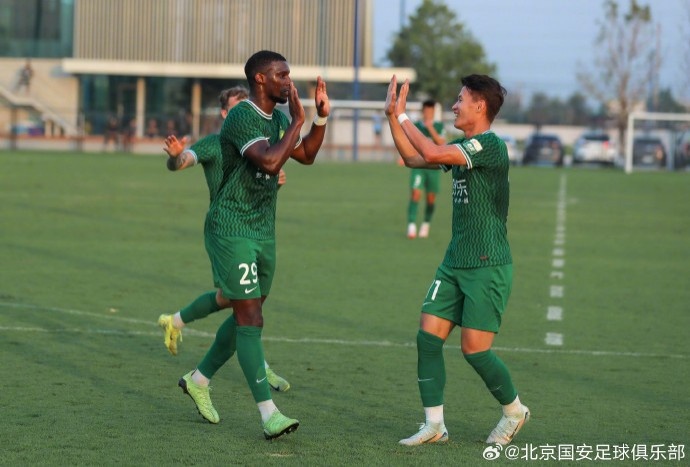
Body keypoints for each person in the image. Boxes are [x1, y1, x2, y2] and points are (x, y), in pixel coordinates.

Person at [168, 50, 329, 440]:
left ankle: (199, 380)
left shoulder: (278, 119)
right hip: (231, 228)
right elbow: (270, 162)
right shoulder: (241, 116)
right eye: (281, 75)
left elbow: (306, 155)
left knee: (247, 314)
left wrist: (320, 118)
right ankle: (269, 415)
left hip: (263, 230)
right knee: (251, 318)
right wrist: (298, 121)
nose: (289, 81)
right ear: (261, 79)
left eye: (289, 74)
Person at [385, 74, 529, 447]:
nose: (454, 105)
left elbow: (432, 153)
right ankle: (435, 425)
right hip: (455, 262)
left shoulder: (490, 145)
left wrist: (404, 116)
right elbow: (413, 158)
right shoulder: (464, 146)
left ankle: (514, 411)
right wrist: (392, 117)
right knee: (427, 337)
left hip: (488, 263)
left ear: (479, 106)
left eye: (460, 99)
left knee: (474, 350)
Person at [159, 85, 289, 394]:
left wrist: (274, 181)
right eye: (237, 107)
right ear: (224, 113)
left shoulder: (259, 146)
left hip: (257, 230)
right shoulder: (214, 144)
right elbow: (183, 160)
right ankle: (252, 370)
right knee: (247, 306)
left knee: (234, 300)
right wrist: (175, 158)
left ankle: (176, 322)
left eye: (248, 105)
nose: (245, 112)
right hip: (229, 232)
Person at [406, 99, 446, 239]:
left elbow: (441, 143)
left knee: (430, 199)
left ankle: (426, 223)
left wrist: (430, 128)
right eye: (426, 111)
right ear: (423, 112)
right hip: (419, 166)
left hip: (434, 168)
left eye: (431, 112)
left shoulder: (439, 126)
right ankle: (411, 225)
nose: (428, 114)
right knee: (415, 194)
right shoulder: (416, 126)